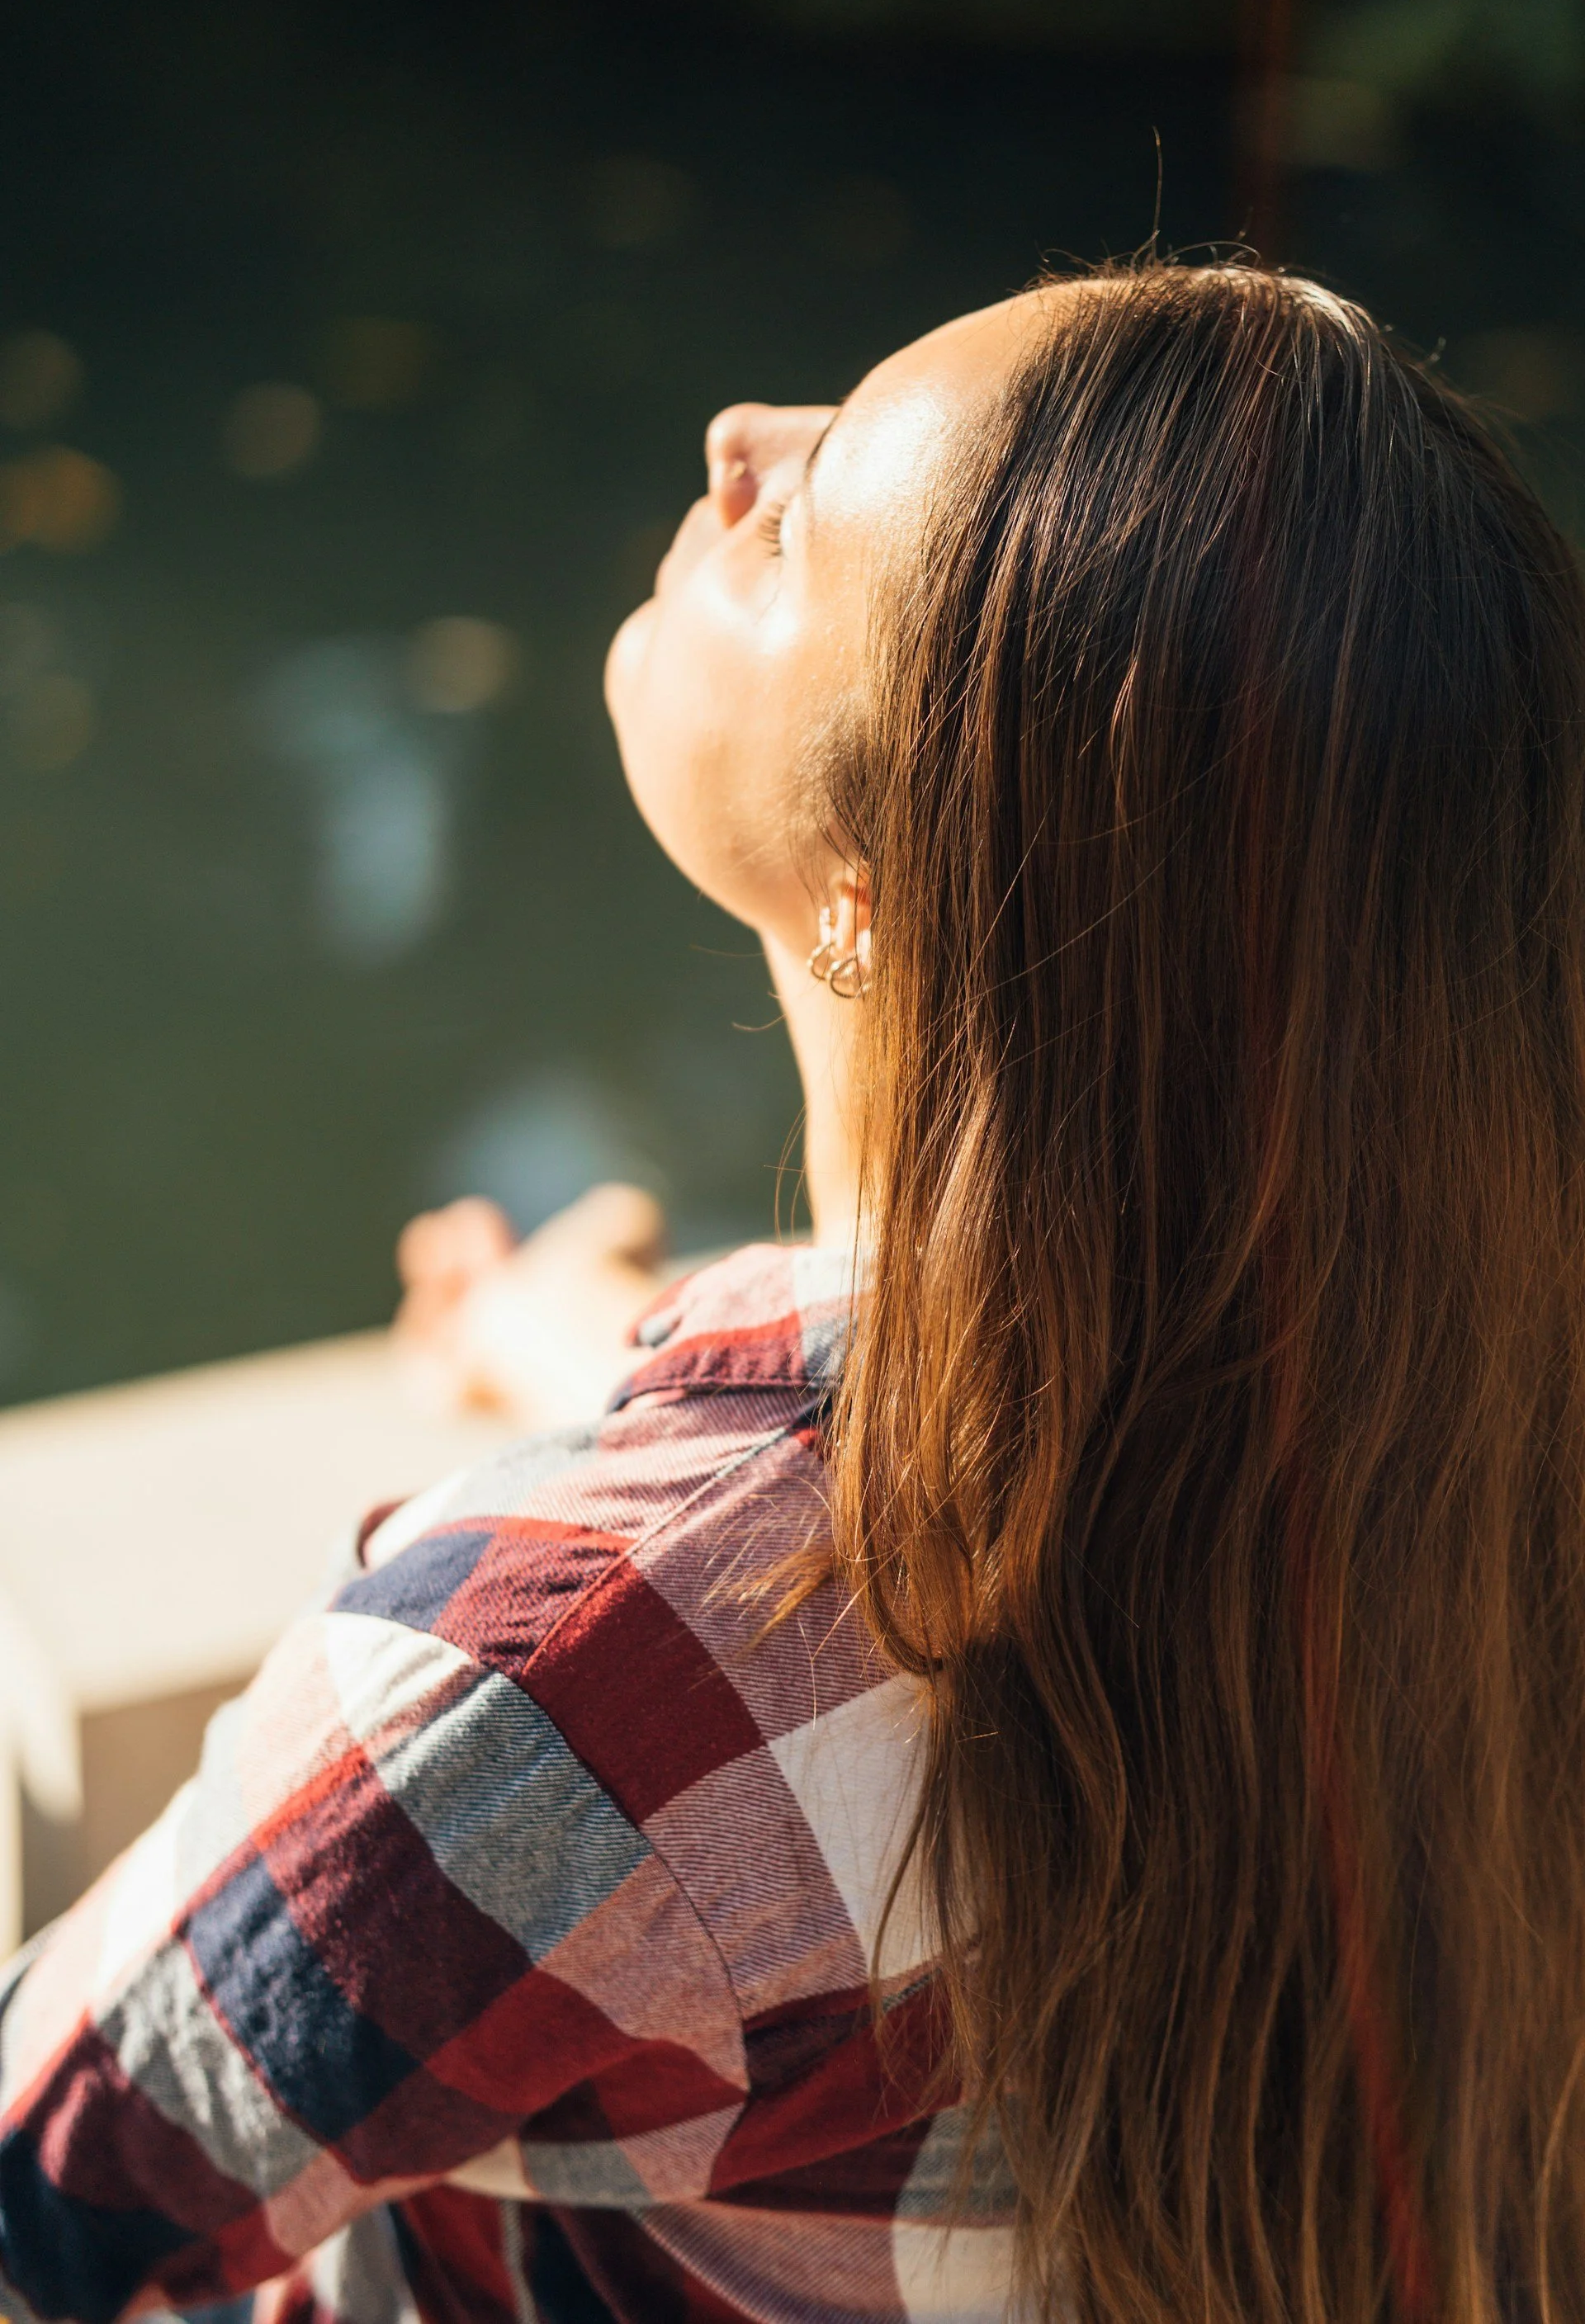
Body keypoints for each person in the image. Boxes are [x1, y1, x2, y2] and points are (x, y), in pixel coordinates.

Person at [1, 260, 1583, 2324]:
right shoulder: (1470, 1440)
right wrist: (628, 1385)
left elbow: (48, 2192)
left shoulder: (552, 1676)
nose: (743, 437)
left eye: (807, 512)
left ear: (883, 880)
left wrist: (615, 1518)